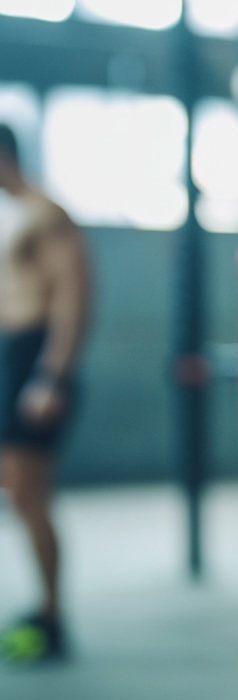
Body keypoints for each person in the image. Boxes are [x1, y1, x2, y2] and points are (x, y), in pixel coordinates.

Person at [0, 124, 89, 663]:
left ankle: (54, 617)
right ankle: (44, 612)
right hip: (13, 356)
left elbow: (74, 296)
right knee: (16, 492)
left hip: (36, 361)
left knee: (30, 494)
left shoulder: (46, 214)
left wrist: (51, 376)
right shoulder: (15, 215)